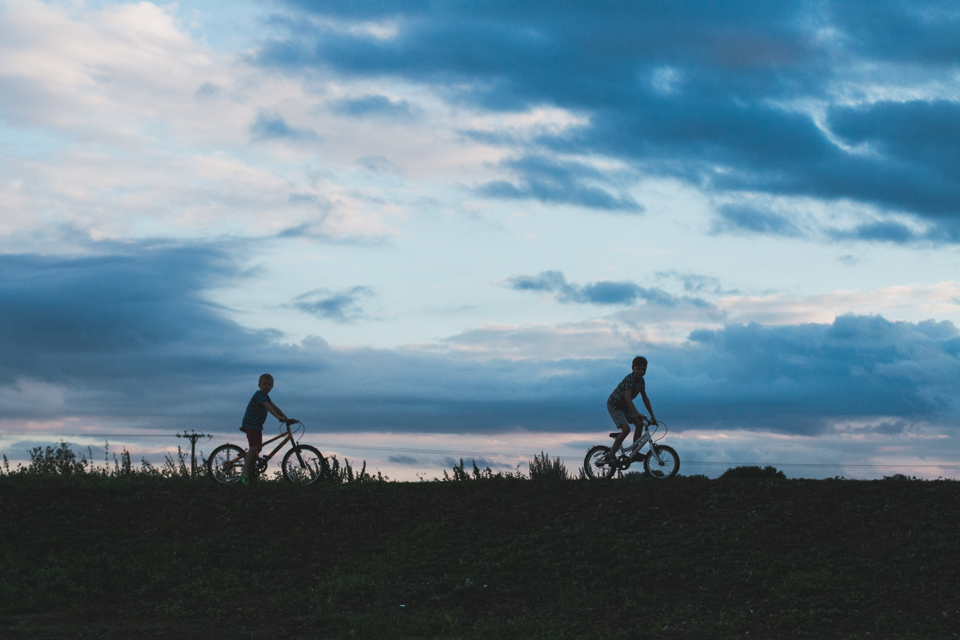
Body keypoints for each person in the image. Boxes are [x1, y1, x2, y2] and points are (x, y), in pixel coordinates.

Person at [240, 373, 296, 484]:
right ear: (259, 385)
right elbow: (268, 407)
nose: (266, 386)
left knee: (258, 448)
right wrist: (279, 418)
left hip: (257, 426)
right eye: (264, 384)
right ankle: (245, 473)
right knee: (253, 447)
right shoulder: (259, 395)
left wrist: (287, 418)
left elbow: (275, 407)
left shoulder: (266, 396)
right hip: (251, 424)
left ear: (272, 386)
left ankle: (250, 466)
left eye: (269, 384)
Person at [605, 356, 657, 464]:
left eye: (643, 369)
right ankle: (610, 455)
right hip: (615, 405)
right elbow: (627, 398)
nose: (641, 372)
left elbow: (645, 398)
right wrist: (637, 413)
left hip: (625, 406)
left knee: (639, 424)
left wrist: (652, 415)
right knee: (626, 429)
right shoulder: (630, 379)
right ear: (632, 368)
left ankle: (635, 452)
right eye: (638, 369)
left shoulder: (641, 381)